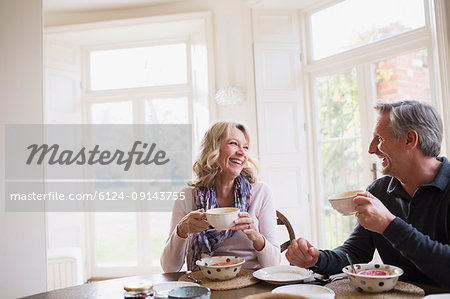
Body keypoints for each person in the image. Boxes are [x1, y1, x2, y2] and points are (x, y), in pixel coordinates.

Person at [286, 100, 450, 289]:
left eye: (379, 139)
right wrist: (315, 259)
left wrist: (389, 225)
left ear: (409, 140)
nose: (371, 149)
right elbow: (354, 254)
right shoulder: (379, 191)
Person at [161, 121, 281, 272]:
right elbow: (169, 267)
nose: (242, 153)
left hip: (250, 281)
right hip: (205, 281)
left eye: (245, 147)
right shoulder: (187, 197)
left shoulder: (261, 192)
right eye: (234, 143)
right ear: (213, 149)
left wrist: (256, 236)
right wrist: (182, 230)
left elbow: (274, 264)